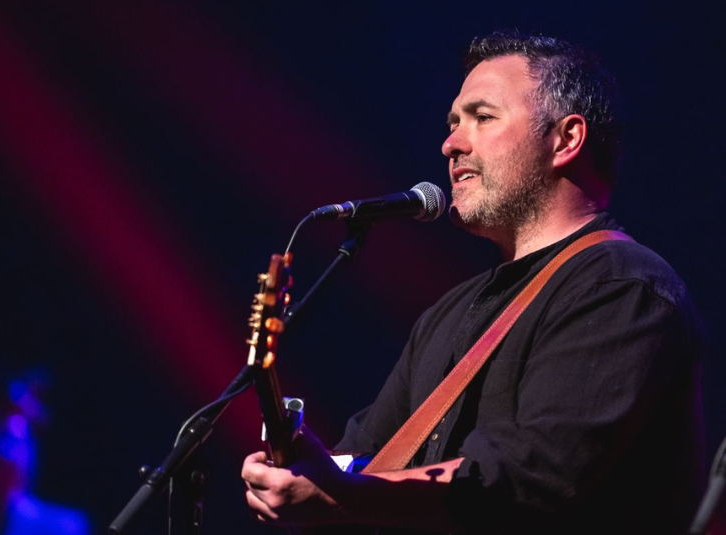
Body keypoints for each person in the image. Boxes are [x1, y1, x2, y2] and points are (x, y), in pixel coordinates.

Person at [241, 31, 706, 534]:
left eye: (482, 118)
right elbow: (369, 458)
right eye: (453, 124)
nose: (450, 143)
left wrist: (345, 497)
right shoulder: (448, 313)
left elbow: (529, 478)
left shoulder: (620, 286)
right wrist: (306, 473)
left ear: (566, 140)